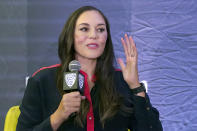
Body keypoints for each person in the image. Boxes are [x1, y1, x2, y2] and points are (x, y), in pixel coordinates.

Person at [16, 6, 163, 131]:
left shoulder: (122, 81)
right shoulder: (42, 81)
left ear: (106, 37)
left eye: (100, 30)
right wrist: (58, 116)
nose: (93, 35)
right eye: (84, 29)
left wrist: (135, 86)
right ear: (70, 36)